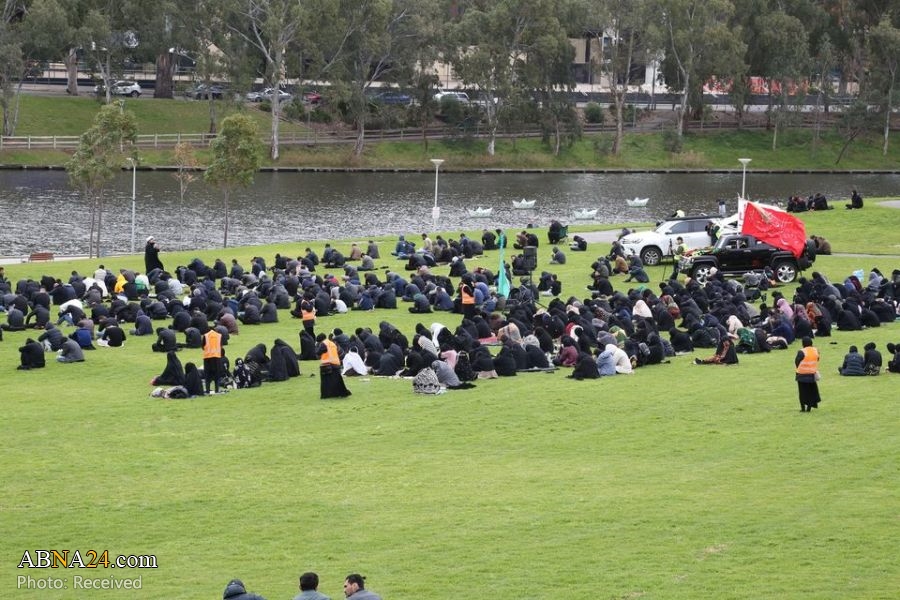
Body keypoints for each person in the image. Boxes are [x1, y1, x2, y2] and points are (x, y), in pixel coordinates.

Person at [317, 333, 351, 398]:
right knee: (337, 381)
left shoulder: (323, 344)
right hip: (336, 364)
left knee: (327, 382)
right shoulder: (332, 343)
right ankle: (340, 393)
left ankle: (329, 394)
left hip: (327, 364)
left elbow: (318, 352)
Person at [794, 336, 821, 412]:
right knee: (810, 392)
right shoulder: (816, 350)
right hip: (812, 374)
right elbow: (817, 359)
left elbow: (797, 362)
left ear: (803, 343)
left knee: (802, 392)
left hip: (801, 374)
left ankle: (803, 409)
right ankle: (809, 408)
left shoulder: (801, 351)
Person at [202, 327, 225, 394]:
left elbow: (203, 346)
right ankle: (217, 390)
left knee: (207, 376)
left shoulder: (206, 335)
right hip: (217, 358)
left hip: (208, 358)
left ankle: (208, 390)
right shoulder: (219, 335)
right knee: (217, 375)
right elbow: (221, 346)